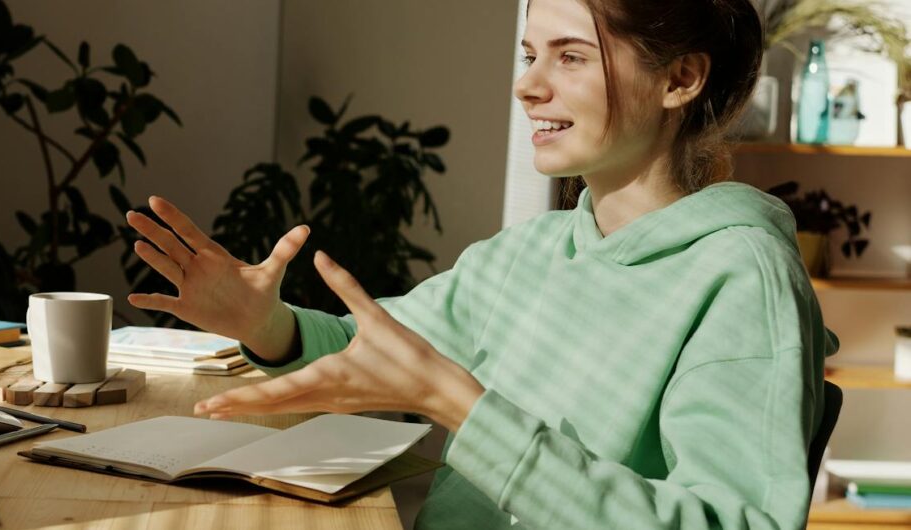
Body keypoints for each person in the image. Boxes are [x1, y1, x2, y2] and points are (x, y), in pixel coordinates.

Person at [124, 0, 838, 527]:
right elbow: (378, 352)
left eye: (571, 56)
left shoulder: (742, 277)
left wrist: (461, 406)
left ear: (679, 79)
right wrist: (267, 323)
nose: (528, 87)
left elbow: (734, 521)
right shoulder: (528, 252)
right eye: (530, 55)